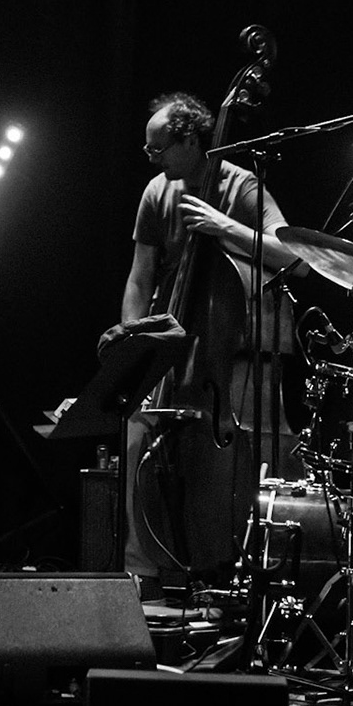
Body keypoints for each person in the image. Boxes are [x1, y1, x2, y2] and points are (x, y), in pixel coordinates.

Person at [108, 92, 308, 593]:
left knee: (237, 456)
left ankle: (231, 567)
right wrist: (134, 340)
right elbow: (140, 277)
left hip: (231, 353)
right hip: (173, 343)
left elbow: (293, 256)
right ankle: (144, 572)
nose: (151, 158)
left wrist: (225, 227)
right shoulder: (158, 192)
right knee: (137, 432)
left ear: (192, 139)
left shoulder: (241, 186)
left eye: (159, 149)